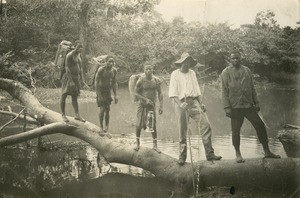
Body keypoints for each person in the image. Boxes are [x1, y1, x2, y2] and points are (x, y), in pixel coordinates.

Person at [221, 51, 280, 163]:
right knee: (235, 131)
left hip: (248, 105)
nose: (235, 60)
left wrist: (256, 102)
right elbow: (224, 90)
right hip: (235, 106)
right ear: (230, 59)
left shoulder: (246, 70)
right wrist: (226, 107)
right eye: (233, 59)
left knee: (260, 125)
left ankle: (267, 151)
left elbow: (252, 87)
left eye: (237, 58)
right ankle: (238, 154)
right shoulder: (226, 72)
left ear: (240, 58)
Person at [169, 53, 222, 165]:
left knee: (205, 124)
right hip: (181, 102)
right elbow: (173, 93)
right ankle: (182, 156)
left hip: (193, 102)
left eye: (189, 62)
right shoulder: (175, 74)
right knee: (182, 130)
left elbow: (196, 90)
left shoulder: (192, 73)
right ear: (181, 63)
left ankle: (210, 153)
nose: (187, 64)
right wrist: (180, 104)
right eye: (185, 62)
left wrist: (201, 103)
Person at [134, 64, 163, 153]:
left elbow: (160, 93)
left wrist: (161, 106)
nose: (148, 71)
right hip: (142, 105)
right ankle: (138, 144)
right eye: (146, 69)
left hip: (151, 105)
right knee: (138, 125)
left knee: (152, 126)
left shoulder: (156, 81)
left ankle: (155, 145)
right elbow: (135, 93)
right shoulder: (141, 80)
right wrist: (145, 99)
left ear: (152, 70)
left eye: (150, 69)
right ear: (144, 70)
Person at [60, 41, 85, 122]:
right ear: (75, 46)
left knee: (75, 97)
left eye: (81, 47)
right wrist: (70, 81)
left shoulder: (79, 56)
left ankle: (77, 115)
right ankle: (63, 114)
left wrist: (82, 79)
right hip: (68, 78)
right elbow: (67, 68)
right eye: (79, 47)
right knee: (64, 95)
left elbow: (80, 68)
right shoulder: (69, 55)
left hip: (76, 78)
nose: (80, 49)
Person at [95, 56, 118, 133]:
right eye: (109, 62)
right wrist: (99, 95)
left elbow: (114, 83)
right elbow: (96, 83)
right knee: (102, 109)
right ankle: (101, 127)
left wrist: (115, 95)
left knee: (107, 110)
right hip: (101, 91)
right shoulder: (101, 69)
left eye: (112, 62)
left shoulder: (114, 71)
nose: (111, 64)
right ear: (106, 62)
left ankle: (107, 127)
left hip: (108, 92)